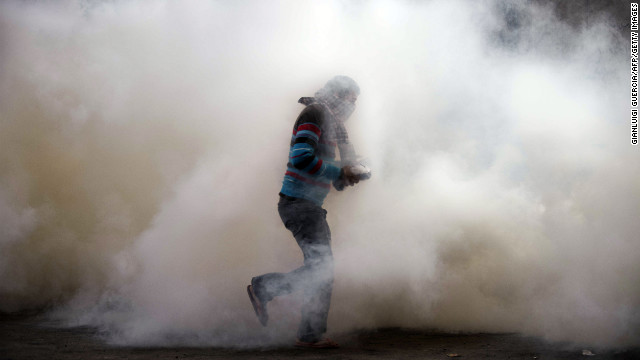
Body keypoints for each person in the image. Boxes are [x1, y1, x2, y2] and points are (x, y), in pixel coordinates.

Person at [247, 75, 362, 349]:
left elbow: (333, 176)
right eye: (351, 100)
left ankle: (307, 331)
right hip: (299, 205)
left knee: (320, 267)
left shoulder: (334, 125)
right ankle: (272, 296)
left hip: (307, 206)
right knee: (322, 268)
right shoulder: (315, 114)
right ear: (338, 95)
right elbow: (301, 158)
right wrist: (340, 171)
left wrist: (352, 173)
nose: (353, 107)